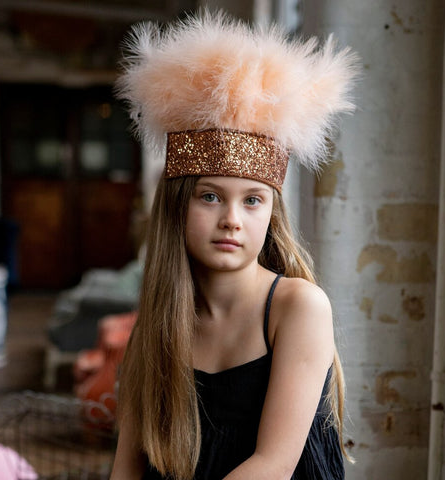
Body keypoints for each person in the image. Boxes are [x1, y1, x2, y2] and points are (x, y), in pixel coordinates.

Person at [110, 10, 358, 480]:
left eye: (252, 201)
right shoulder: (157, 323)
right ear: (177, 206)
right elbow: (127, 467)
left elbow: (274, 465)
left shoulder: (299, 307)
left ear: (272, 212)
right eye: (210, 197)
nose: (231, 220)